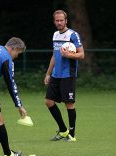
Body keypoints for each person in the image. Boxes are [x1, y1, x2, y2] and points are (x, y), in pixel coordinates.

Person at [44, 10, 85, 142]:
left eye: (62, 20)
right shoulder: (55, 35)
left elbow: (82, 54)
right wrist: (48, 73)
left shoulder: (73, 35)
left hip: (68, 74)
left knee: (69, 104)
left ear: (66, 21)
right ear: (54, 21)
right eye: (57, 20)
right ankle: (63, 130)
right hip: (56, 74)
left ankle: (72, 135)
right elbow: (54, 56)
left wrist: (70, 55)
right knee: (49, 102)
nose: (59, 22)